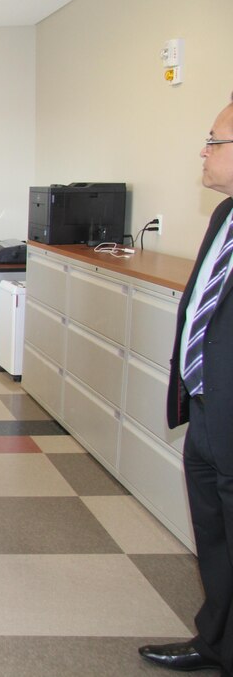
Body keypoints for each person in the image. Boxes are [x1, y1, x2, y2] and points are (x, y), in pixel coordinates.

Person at [139, 92, 233, 674]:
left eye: (215, 142)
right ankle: (216, 639)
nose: (204, 151)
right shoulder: (224, 215)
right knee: (215, 534)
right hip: (206, 406)